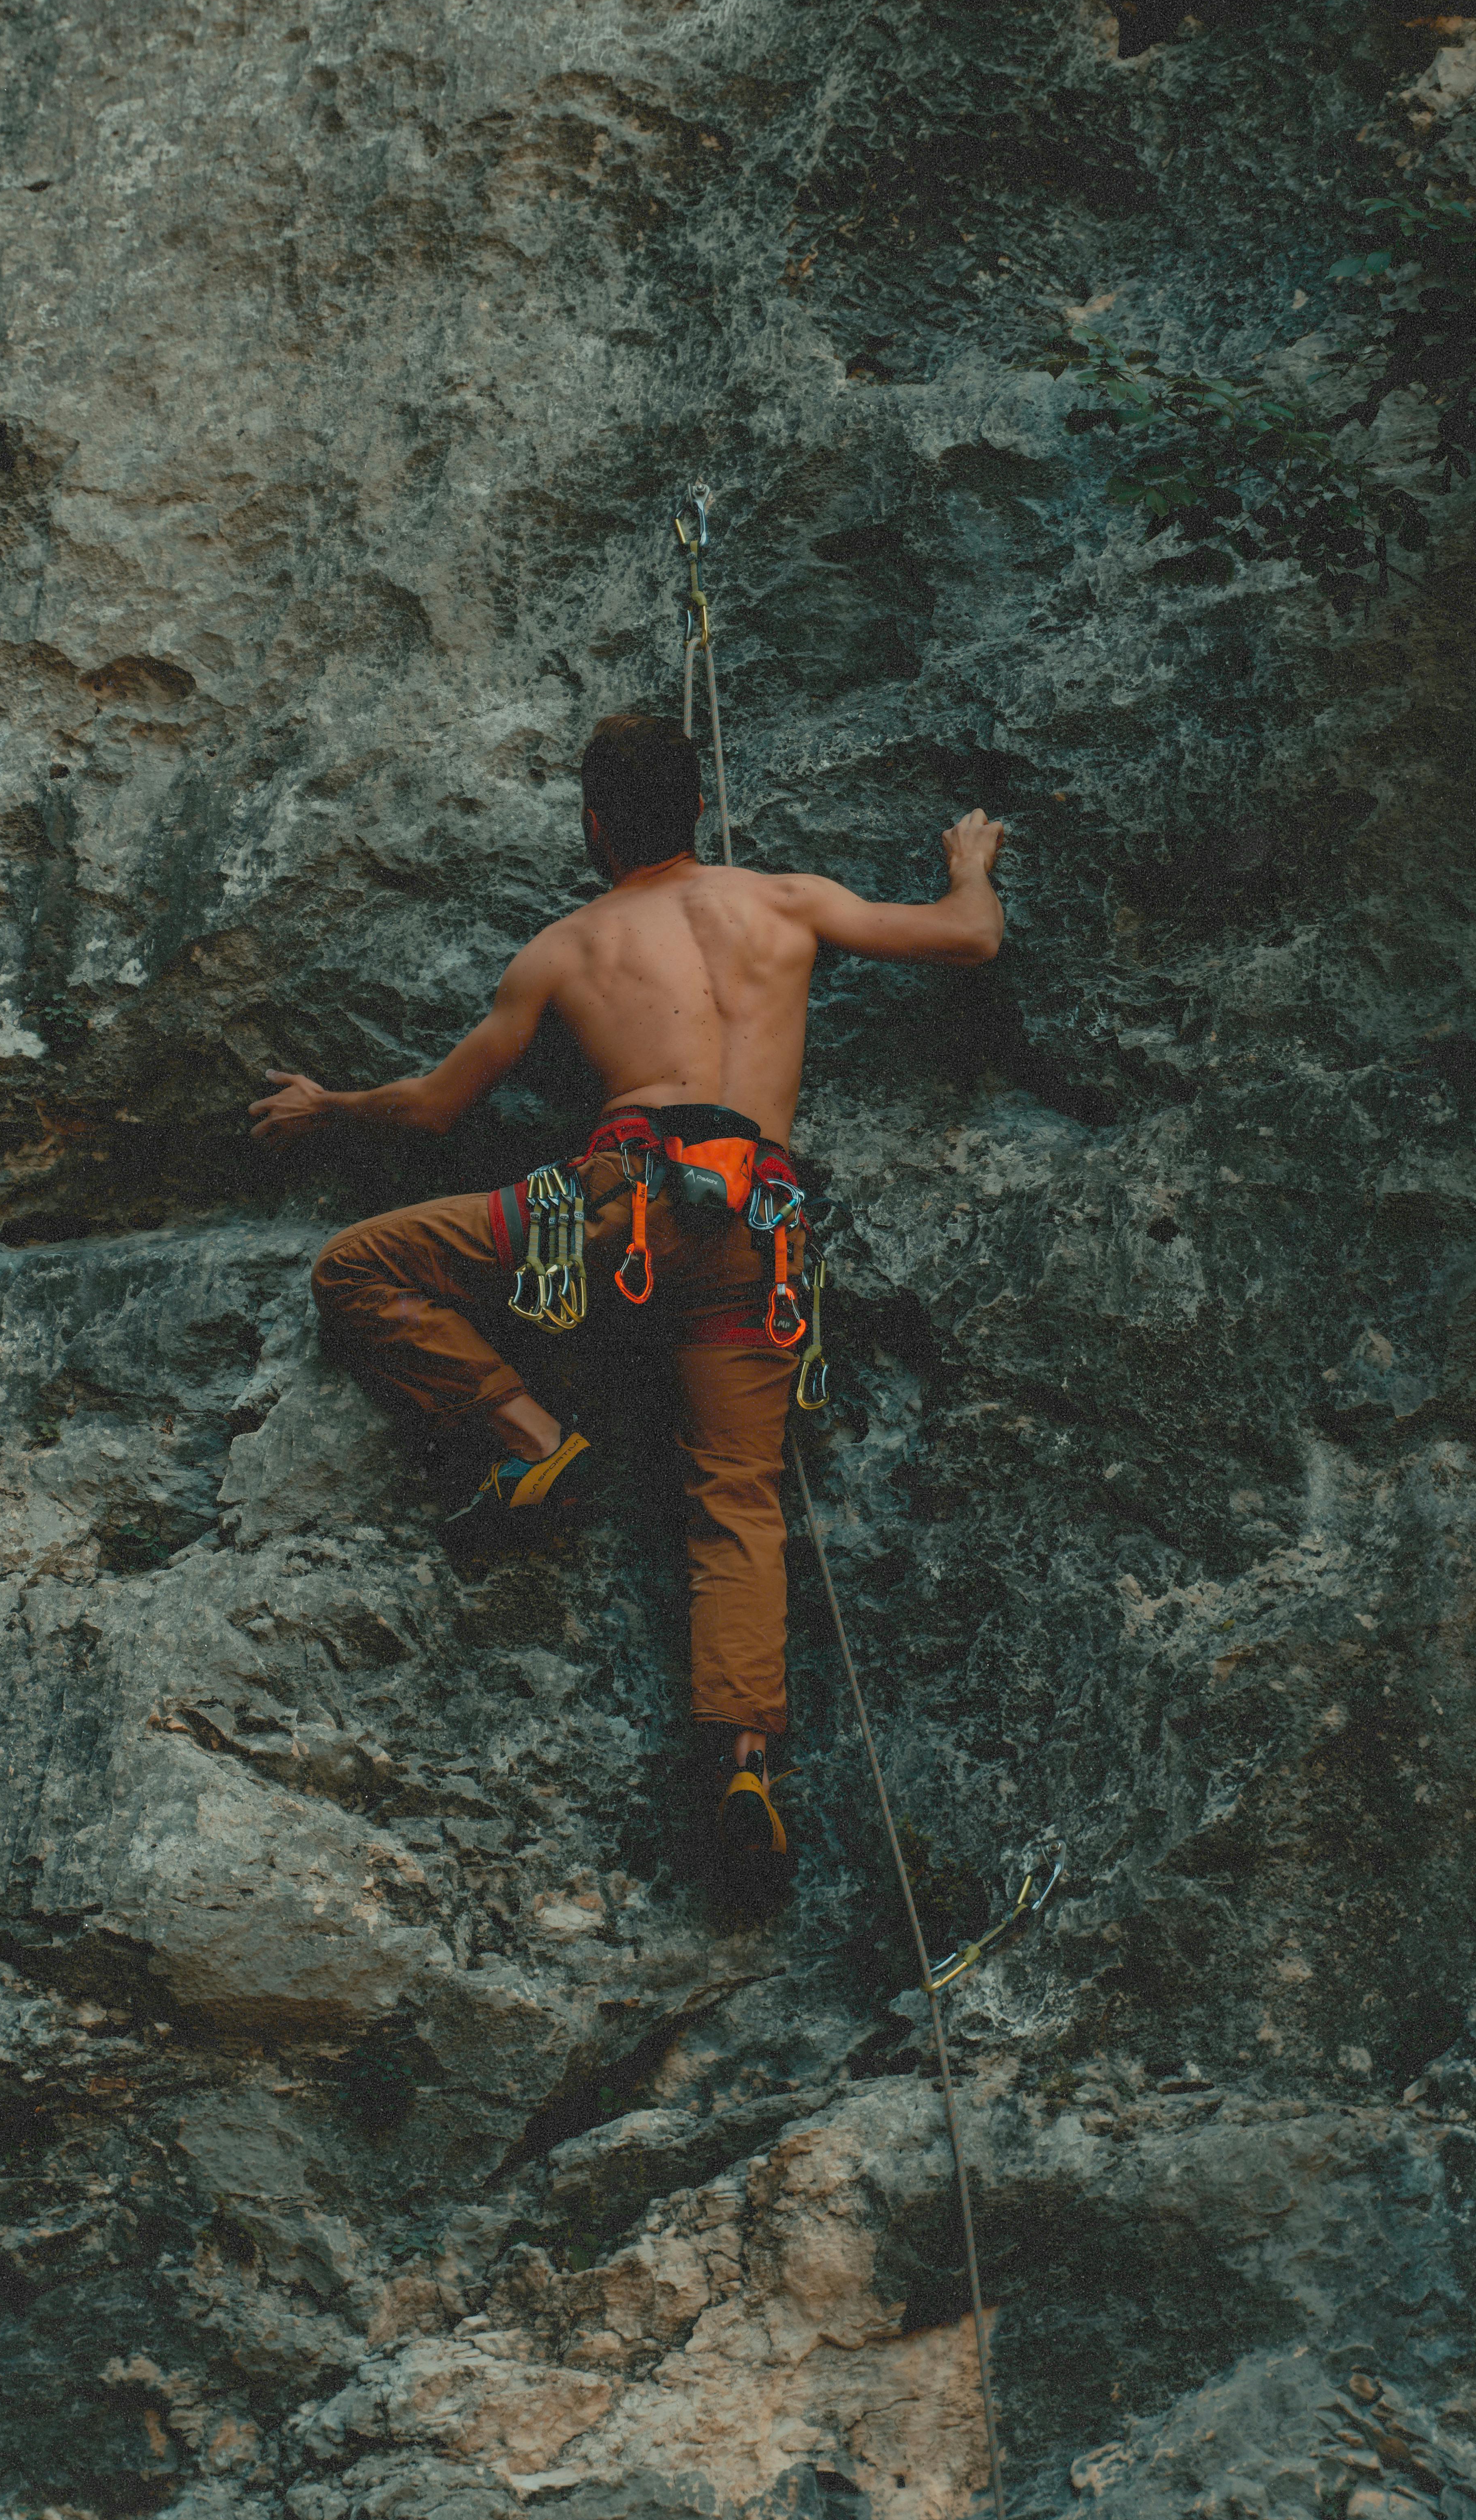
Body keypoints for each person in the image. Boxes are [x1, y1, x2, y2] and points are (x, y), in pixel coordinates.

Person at [250, 711, 1005, 1861]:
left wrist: (326, 1105)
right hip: (756, 1231)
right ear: (697, 809)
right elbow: (969, 938)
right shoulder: (790, 901)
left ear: (594, 824)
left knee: (358, 1266)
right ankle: (743, 1767)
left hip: (604, 1218)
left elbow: (432, 1109)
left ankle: (529, 1433)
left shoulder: (566, 949)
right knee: (737, 1501)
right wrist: (968, 867)